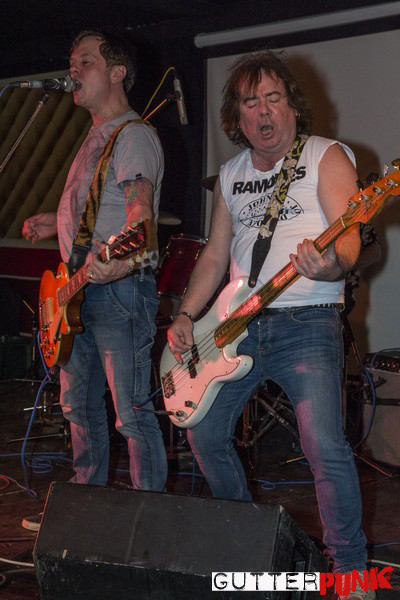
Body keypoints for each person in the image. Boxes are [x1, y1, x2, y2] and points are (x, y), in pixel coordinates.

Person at [167, 50, 373, 599]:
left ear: (292, 107)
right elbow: (215, 256)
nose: (264, 111)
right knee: (204, 431)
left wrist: (330, 264)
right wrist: (186, 313)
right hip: (237, 327)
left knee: (322, 442)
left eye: (273, 98)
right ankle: (248, 549)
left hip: (307, 320)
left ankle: (351, 572)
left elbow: (349, 235)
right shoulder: (231, 175)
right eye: (251, 101)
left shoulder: (325, 155)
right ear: (237, 116)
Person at [22, 30, 168, 510]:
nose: (73, 70)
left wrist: (119, 260)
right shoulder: (96, 136)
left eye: (85, 61)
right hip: (77, 292)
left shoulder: (134, 135)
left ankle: (147, 516)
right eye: (72, 62)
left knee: (131, 412)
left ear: (118, 72)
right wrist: (56, 220)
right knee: (78, 408)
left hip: (117, 292)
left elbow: (139, 221)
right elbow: (98, 212)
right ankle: (82, 512)